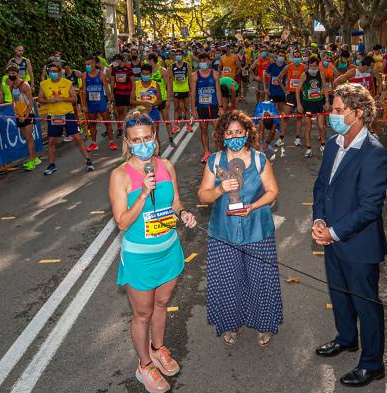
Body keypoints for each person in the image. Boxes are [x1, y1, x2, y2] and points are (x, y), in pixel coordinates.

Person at [109, 110, 196, 393]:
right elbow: (122, 222)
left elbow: (176, 203)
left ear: (155, 138)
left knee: (162, 304)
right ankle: (143, 365)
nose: (143, 143)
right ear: (127, 142)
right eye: (136, 140)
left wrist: (184, 214)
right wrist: (144, 194)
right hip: (140, 258)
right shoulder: (120, 175)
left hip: (169, 250)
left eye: (147, 137)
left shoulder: (167, 166)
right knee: (142, 314)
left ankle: (158, 349)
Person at [312, 83, 387, 388]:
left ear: (358, 113)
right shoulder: (333, 144)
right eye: (332, 109)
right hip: (330, 238)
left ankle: (372, 364)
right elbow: (322, 186)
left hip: (359, 246)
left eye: (337, 110)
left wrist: (333, 232)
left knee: (366, 304)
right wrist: (319, 219)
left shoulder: (374, 153)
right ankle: (346, 339)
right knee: (339, 295)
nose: (331, 114)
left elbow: (370, 207)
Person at [198, 110, 283, 347]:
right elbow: (203, 195)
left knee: (260, 279)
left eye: (239, 132)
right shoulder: (214, 161)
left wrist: (253, 206)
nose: (234, 136)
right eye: (229, 132)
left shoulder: (259, 159)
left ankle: (264, 324)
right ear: (222, 135)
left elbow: (273, 192)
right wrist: (219, 189)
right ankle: (230, 324)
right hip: (223, 233)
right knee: (228, 280)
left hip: (257, 230)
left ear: (247, 134)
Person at [38, 63, 94, 175]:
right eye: (50, 72)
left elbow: (74, 99)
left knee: (77, 138)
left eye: (55, 71)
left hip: (68, 114)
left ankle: (88, 160)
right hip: (53, 116)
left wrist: (62, 99)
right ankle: (51, 164)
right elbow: (40, 99)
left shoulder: (67, 83)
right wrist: (48, 101)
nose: (52, 73)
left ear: (60, 72)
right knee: (51, 142)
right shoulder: (44, 84)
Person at [6, 63, 40, 171]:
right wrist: (15, 112)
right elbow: (14, 100)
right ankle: (35, 159)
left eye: (13, 72)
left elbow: (31, 101)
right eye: (10, 73)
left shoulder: (24, 84)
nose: (11, 74)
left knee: (29, 138)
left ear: (17, 73)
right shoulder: (11, 85)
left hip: (28, 114)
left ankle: (32, 162)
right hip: (19, 115)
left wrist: (26, 115)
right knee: (27, 138)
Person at [190, 52, 223, 163]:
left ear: (208, 62)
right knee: (203, 129)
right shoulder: (194, 76)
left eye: (204, 61)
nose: (202, 63)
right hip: (201, 107)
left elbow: (218, 91)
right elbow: (193, 93)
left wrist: (221, 106)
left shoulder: (215, 74)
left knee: (217, 130)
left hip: (213, 105)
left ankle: (220, 153)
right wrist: (193, 109)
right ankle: (207, 152)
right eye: (200, 61)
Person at [296, 55, 330, 157]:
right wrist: (299, 104)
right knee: (308, 126)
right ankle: (308, 148)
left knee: (321, 126)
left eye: (315, 67)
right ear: (308, 66)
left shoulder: (321, 74)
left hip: (319, 102)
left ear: (318, 66)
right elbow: (297, 89)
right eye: (311, 67)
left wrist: (327, 102)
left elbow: (324, 87)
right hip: (307, 104)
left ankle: (323, 145)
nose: (313, 69)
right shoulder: (304, 75)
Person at [82, 56, 117, 152]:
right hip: (91, 103)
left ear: (94, 64)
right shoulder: (84, 75)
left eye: (89, 64)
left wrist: (110, 103)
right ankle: (94, 143)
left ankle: (111, 141)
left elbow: (106, 89)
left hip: (101, 102)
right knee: (92, 124)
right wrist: (84, 105)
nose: (87, 66)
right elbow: (84, 91)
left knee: (107, 123)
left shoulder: (101, 75)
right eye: (86, 65)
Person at [276, 49, 306, 147]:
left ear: (300, 58)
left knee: (299, 117)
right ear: (293, 58)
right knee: (286, 117)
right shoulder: (288, 66)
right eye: (295, 57)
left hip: (300, 94)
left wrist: (305, 90)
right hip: (290, 95)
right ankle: (281, 138)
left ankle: (297, 138)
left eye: (298, 57)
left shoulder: (304, 67)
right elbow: (278, 78)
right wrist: (285, 90)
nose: (297, 58)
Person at [149, 53, 175, 147]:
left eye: (148, 60)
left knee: (166, 120)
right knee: (154, 123)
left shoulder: (162, 70)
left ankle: (171, 139)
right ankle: (155, 142)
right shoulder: (148, 71)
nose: (148, 62)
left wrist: (168, 99)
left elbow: (168, 85)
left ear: (152, 60)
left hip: (163, 98)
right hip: (153, 100)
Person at [111, 53, 134, 138]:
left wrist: (132, 92)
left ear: (121, 60)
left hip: (127, 93)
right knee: (120, 111)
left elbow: (132, 81)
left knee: (128, 111)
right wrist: (112, 93)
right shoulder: (114, 69)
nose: (116, 61)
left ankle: (130, 128)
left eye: (117, 60)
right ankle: (120, 129)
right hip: (118, 93)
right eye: (115, 60)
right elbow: (113, 81)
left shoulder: (128, 69)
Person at [169, 48, 192, 133]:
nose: (178, 56)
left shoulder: (187, 65)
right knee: (176, 108)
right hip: (176, 90)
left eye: (180, 54)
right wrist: (171, 91)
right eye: (177, 55)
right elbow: (171, 79)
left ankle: (188, 126)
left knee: (186, 108)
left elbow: (190, 78)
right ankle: (175, 126)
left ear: (182, 56)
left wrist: (191, 90)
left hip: (185, 89)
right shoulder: (172, 66)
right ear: (175, 56)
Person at [264, 48, 287, 114]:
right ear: (277, 56)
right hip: (272, 92)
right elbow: (264, 75)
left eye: (283, 56)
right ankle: (273, 122)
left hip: (281, 92)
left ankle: (279, 122)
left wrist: (287, 86)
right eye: (280, 55)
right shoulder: (272, 65)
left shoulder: (286, 66)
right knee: (272, 109)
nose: (281, 57)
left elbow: (289, 77)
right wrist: (265, 88)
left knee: (280, 109)